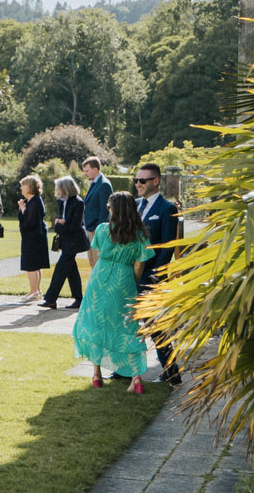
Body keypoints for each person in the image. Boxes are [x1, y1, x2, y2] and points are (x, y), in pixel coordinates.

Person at [73, 193, 158, 394]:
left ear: (114, 209)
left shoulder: (103, 230)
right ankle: (136, 378)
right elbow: (139, 266)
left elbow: (98, 253)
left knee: (95, 324)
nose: (107, 209)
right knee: (128, 328)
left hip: (100, 280)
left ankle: (96, 374)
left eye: (109, 206)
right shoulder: (139, 235)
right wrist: (130, 284)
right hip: (125, 281)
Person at [134, 163, 185, 385]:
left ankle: (171, 371)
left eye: (142, 180)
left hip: (151, 278)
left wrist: (156, 274)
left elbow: (167, 246)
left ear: (155, 181)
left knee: (155, 325)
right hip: (130, 276)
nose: (138, 184)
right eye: (136, 180)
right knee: (127, 325)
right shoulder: (135, 205)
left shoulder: (167, 208)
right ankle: (126, 369)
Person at [40, 175, 90, 310]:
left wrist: (59, 225)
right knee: (71, 271)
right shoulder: (62, 201)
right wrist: (60, 223)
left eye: (58, 187)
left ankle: (51, 299)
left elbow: (74, 226)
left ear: (65, 188)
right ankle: (79, 299)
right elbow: (61, 220)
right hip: (66, 241)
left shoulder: (78, 202)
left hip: (74, 242)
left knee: (60, 270)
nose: (57, 190)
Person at [16, 175, 50, 302]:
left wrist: (23, 209)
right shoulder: (33, 200)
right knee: (36, 265)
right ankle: (37, 290)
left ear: (29, 187)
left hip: (33, 238)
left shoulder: (34, 201)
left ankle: (34, 291)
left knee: (31, 265)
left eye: (22, 186)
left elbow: (30, 222)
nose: (21, 188)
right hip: (35, 238)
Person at [81, 157, 112, 269]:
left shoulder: (104, 184)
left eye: (87, 171)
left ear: (95, 169)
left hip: (97, 231)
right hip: (90, 229)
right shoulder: (94, 183)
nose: (85, 174)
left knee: (99, 264)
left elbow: (105, 211)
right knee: (92, 263)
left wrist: (99, 232)